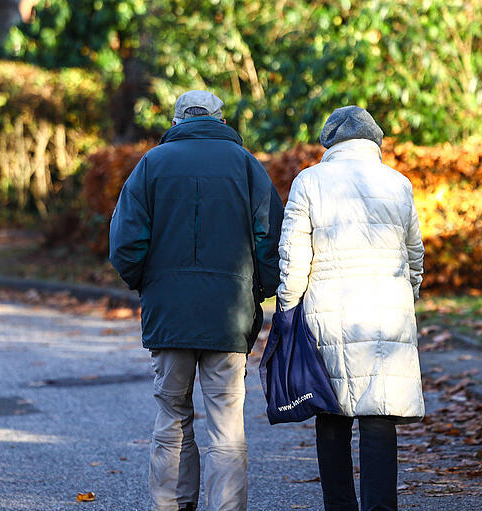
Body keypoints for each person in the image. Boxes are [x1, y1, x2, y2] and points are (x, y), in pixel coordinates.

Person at [109, 90, 283, 511]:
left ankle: (172, 506)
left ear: (175, 122)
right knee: (226, 426)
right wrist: (257, 290)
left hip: (169, 315)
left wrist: (149, 284)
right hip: (230, 316)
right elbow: (272, 240)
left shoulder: (150, 165)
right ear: (221, 122)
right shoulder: (246, 166)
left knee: (172, 419)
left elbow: (125, 245)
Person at [275, 106, 425, 511]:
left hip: (328, 313)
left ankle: (339, 506)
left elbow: (293, 256)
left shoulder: (310, 181)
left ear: (331, 142)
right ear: (374, 140)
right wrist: (406, 296)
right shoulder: (398, 183)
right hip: (387, 313)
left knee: (332, 413)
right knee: (380, 416)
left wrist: (288, 309)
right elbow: (415, 254)